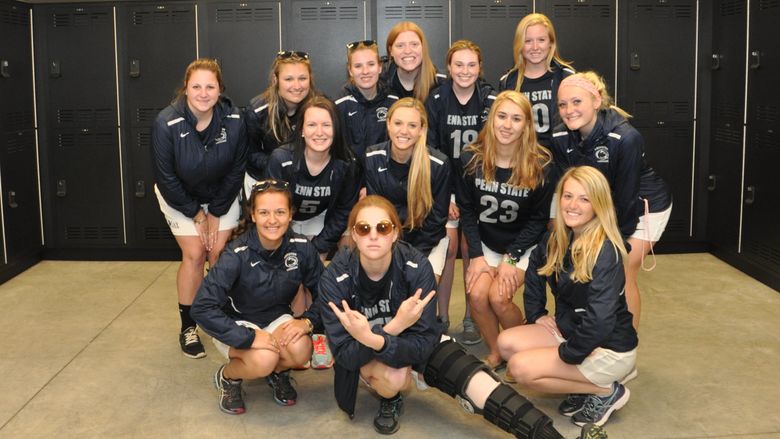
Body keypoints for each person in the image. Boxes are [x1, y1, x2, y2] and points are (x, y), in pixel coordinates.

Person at [320, 195, 606, 439]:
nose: (373, 235)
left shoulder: (415, 266)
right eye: (363, 228)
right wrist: (391, 329)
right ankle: (390, 398)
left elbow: (423, 344)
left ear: (395, 233)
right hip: (367, 354)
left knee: (479, 384)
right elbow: (346, 355)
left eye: (382, 227)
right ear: (353, 235)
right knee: (395, 377)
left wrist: (379, 336)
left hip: (406, 342)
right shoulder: (335, 276)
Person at [497, 166, 638, 427]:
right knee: (506, 343)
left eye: (584, 199)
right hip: (575, 333)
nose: (573, 205)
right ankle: (580, 384)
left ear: (598, 205)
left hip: (606, 348)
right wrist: (537, 313)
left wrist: (571, 353)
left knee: (519, 368)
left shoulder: (606, 250)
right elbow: (535, 272)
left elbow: (600, 320)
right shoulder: (558, 237)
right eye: (568, 196)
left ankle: (605, 391)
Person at [191, 179, 324, 414]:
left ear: (290, 214)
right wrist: (249, 337)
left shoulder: (302, 248)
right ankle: (228, 377)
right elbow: (202, 307)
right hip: (237, 322)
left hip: (275, 318)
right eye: (264, 212)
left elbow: (327, 295)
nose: (272, 220)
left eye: (280, 212)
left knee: (302, 350)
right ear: (253, 215)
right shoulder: (236, 253)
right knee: (263, 359)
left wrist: (306, 321)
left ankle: (278, 373)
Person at [551, 71, 673, 329]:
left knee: (623, 270)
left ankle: (625, 347)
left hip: (642, 207)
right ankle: (585, 331)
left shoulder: (625, 138)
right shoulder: (560, 137)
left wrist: (616, 247)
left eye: (577, 102)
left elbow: (626, 200)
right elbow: (566, 187)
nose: (569, 110)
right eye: (563, 104)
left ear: (596, 101)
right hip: (598, 204)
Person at [152, 58, 247, 359]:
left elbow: (237, 169)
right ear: (186, 88)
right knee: (194, 254)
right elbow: (165, 177)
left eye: (210, 86)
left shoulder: (234, 119)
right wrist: (196, 213)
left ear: (220, 89)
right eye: (196, 86)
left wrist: (216, 212)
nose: (203, 93)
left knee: (219, 252)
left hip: (222, 196)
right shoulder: (165, 122)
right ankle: (188, 326)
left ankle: (220, 317)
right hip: (180, 198)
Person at [456, 90, 554, 370]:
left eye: (516, 118)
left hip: (524, 244)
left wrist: (511, 258)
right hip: (486, 242)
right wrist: (476, 255)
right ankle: (497, 351)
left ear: (526, 125)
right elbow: (467, 210)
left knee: (499, 298)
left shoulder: (541, 163)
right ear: (491, 119)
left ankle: (520, 350)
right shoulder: (471, 158)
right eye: (501, 116)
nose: (507, 125)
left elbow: (538, 219)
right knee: (476, 295)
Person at [425, 39, 496, 341]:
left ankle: (472, 316)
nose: (465, 70)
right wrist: (446, 196)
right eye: (459, 64)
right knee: (450, 246)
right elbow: (430, 150)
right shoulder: (437, 98)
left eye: (471, 64)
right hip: (447, 188)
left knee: (471, 248)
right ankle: (442, 316)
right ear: (449, 68)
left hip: (482, 187)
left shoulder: (491, 98)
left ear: (480, 68)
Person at [363, 98, 450, 282]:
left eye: (412, 125)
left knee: (420, 286)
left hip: (427, 242)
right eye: (398, 123)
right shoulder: (372, 157)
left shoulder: (438, 164)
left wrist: (409, 258)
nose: (404, 131)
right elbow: (376, 214)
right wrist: (394, 252)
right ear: (388, 124)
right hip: (387, 239)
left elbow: (436, 220)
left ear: (422, 130)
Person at [267, 95, 360, 259]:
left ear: (336, 129)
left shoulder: (347, 164)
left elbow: (343, 212)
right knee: (289, 267)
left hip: (321, 217)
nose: (319, 132)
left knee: (316, 266)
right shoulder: (281, 159)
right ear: (301, 129)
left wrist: (318, 246)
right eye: (311, 125)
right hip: (285, 222)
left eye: (326, 125)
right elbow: (273, 209)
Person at [244, 50, 317, 196]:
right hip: (263, 178)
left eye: (302, 78)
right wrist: (281, 163)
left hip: (306, 180)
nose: (297, 86)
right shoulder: (257, 110)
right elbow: (250, 155)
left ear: (310, 78)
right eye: (288, 79)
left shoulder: (320, 107)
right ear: (275, 80)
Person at [499, 13, 574, 148]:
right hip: (522, 159)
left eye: (541, 40)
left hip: (560, 159)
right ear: (519, 45)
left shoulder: (567, 77)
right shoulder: (508, 82)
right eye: (527, 41)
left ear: (551, 43)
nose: (535, 47)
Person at [336, 40, 399, 158]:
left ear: (380, 67)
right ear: (350, 70)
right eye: (358, 66)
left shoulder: (393, 101)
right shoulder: (340, 105)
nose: (365, 71)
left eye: (371, 64)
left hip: (383, 173)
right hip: (351, 175)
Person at [381, 21, 445, 102]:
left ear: (423, 48)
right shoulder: (381, 82)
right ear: (391, 51)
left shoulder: (441, 84)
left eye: (414, 44)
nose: (407, 51)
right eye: (400, 46)